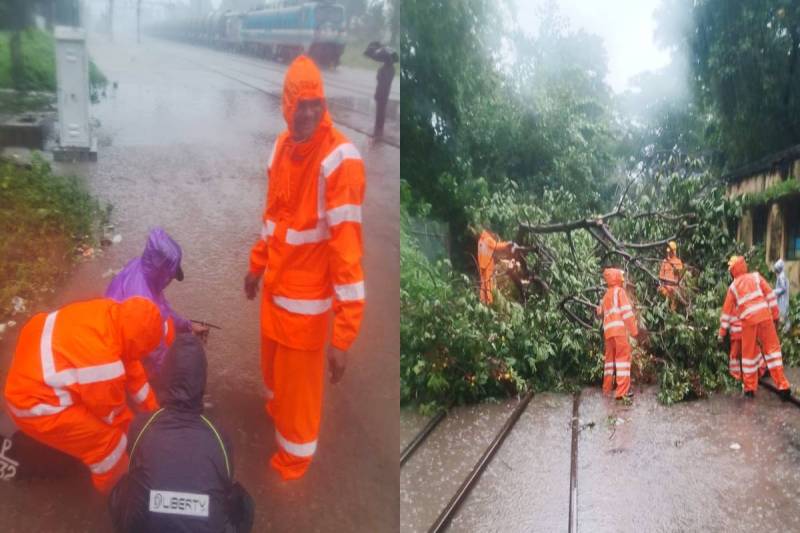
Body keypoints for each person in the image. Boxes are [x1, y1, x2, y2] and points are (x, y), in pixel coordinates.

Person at [243, 55, 366, 480]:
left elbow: (347, 252)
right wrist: (256, 265)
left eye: (317, 103)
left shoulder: (339, 161)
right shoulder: (280, 147)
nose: (310, 112)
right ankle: (278, 418)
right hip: (276, 292)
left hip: (307, 307)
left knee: (299, 394)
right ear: (287, 105)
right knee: (274, 377)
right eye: (302, 104)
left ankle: (294, 460)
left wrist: (344, 336)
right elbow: (273, 215)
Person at [3, 297, 168, 493]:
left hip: (30, 374)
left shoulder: (110, 314)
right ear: (139, 343)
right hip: (35, 405)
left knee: (99, 423)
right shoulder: (104, 365)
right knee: (110, 444)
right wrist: (145, 439)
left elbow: (132, 367)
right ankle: (119, 492)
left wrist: (155, 413)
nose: (142, 356)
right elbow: (113, 416)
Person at [108, 334, 254, 533]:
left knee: (124, 485)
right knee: (241, 498)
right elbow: (226, 483)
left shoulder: (141, 424)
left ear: (166, 376)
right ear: (201, 380)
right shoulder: (219, 434)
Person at [106, 227, 209, 387]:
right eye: (171, 275)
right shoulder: (143, 304)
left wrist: (187, 326)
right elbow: (155, 352)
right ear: (163, 273)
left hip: (119, 326)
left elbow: (163, 309)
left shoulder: (140, 268)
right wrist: (173, 378)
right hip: (122, 352)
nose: (171, 280)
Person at [717, 256, 791, 398]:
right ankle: (783, 386)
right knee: (773, 351)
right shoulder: (756, 277)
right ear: (744, 266)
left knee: (748, 355)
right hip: (765, 317)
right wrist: (775, 316)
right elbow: (770, 295)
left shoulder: (733, 287)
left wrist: (721, 333)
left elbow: (726, 312)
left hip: (748, 322)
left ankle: (750, 389)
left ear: (732, 271)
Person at [596, 268, 638, 400]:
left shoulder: (606, 295)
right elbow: (626, 313)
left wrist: (598, 309)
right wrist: (634, 331)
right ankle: (622, 392)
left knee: (609, 362)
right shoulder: (619, 292)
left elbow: (599, 312)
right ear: (618, 278)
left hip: (608, 333)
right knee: (623, 360)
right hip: (619, 331)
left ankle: (607, 388)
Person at [363, 41, 398, 138]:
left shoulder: (384, 69)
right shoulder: (391, 69)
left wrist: (379, 72)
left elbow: (380, 79)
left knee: (380, 111)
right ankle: (379, 126)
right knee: (381, 110)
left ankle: (378, 128)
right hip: (385, 93)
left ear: (386, 60)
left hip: (381, 92)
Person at [477, 228, 517, 304]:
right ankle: (489, 302)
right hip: (487, 264)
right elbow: (496, 246)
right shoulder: (488, 239)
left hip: (481, 264)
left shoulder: (481, 240)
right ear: (489, 232)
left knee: (483, 283)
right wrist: (507, 243)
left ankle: (482, 300)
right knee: (488, 284)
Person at [658, 240, 684, 308]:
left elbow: (681, 277)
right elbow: (660, 276)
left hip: (674, 289)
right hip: (665, 287)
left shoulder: (678, 262)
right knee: (660, 291)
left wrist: (677, 271)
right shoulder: (665, 261)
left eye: (670, 252)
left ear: (674, 251)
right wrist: (664, 283)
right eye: (668, 252)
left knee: (673, 305)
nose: (669, 253)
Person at [774, 259, 791, 333]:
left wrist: (774, 291)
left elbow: (783, 288)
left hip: (782, 298)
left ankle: (786, 330)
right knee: (784, 313)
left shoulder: (781, 276)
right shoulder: (781, 276)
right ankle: (786, 329)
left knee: (783, 313)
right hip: (782, 298)